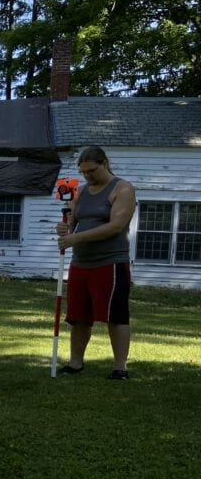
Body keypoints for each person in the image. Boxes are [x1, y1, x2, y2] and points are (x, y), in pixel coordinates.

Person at [56, 146, 137, 379]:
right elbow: (70, 222)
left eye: (91, 171)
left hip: (111, 263)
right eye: (83, 172)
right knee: (78, 317)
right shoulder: (79, 192)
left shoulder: (122, 189)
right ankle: (75, 363)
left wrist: (76, 237)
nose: (87, 176)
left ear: (104, 163)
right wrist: (63, 228)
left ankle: (120, 368)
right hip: (80, 263)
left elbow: (116, 226)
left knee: (116, 315)